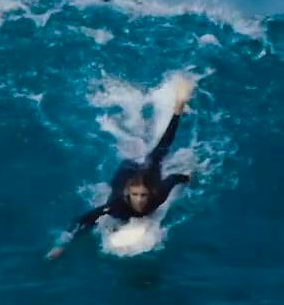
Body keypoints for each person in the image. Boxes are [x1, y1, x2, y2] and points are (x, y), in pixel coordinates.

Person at [50, 96, 195, 257]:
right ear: (128, 194)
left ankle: (176, 111)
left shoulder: (158, 195)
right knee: (131, 163)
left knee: (160, 150)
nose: (139, 199)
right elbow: (83, 220)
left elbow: (173, 178)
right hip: (126, 171)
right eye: (135, 195)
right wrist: (62, 245)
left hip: (149, 171)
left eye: (143, 195)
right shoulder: (116, 205)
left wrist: (188, 177)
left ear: (150, 194)